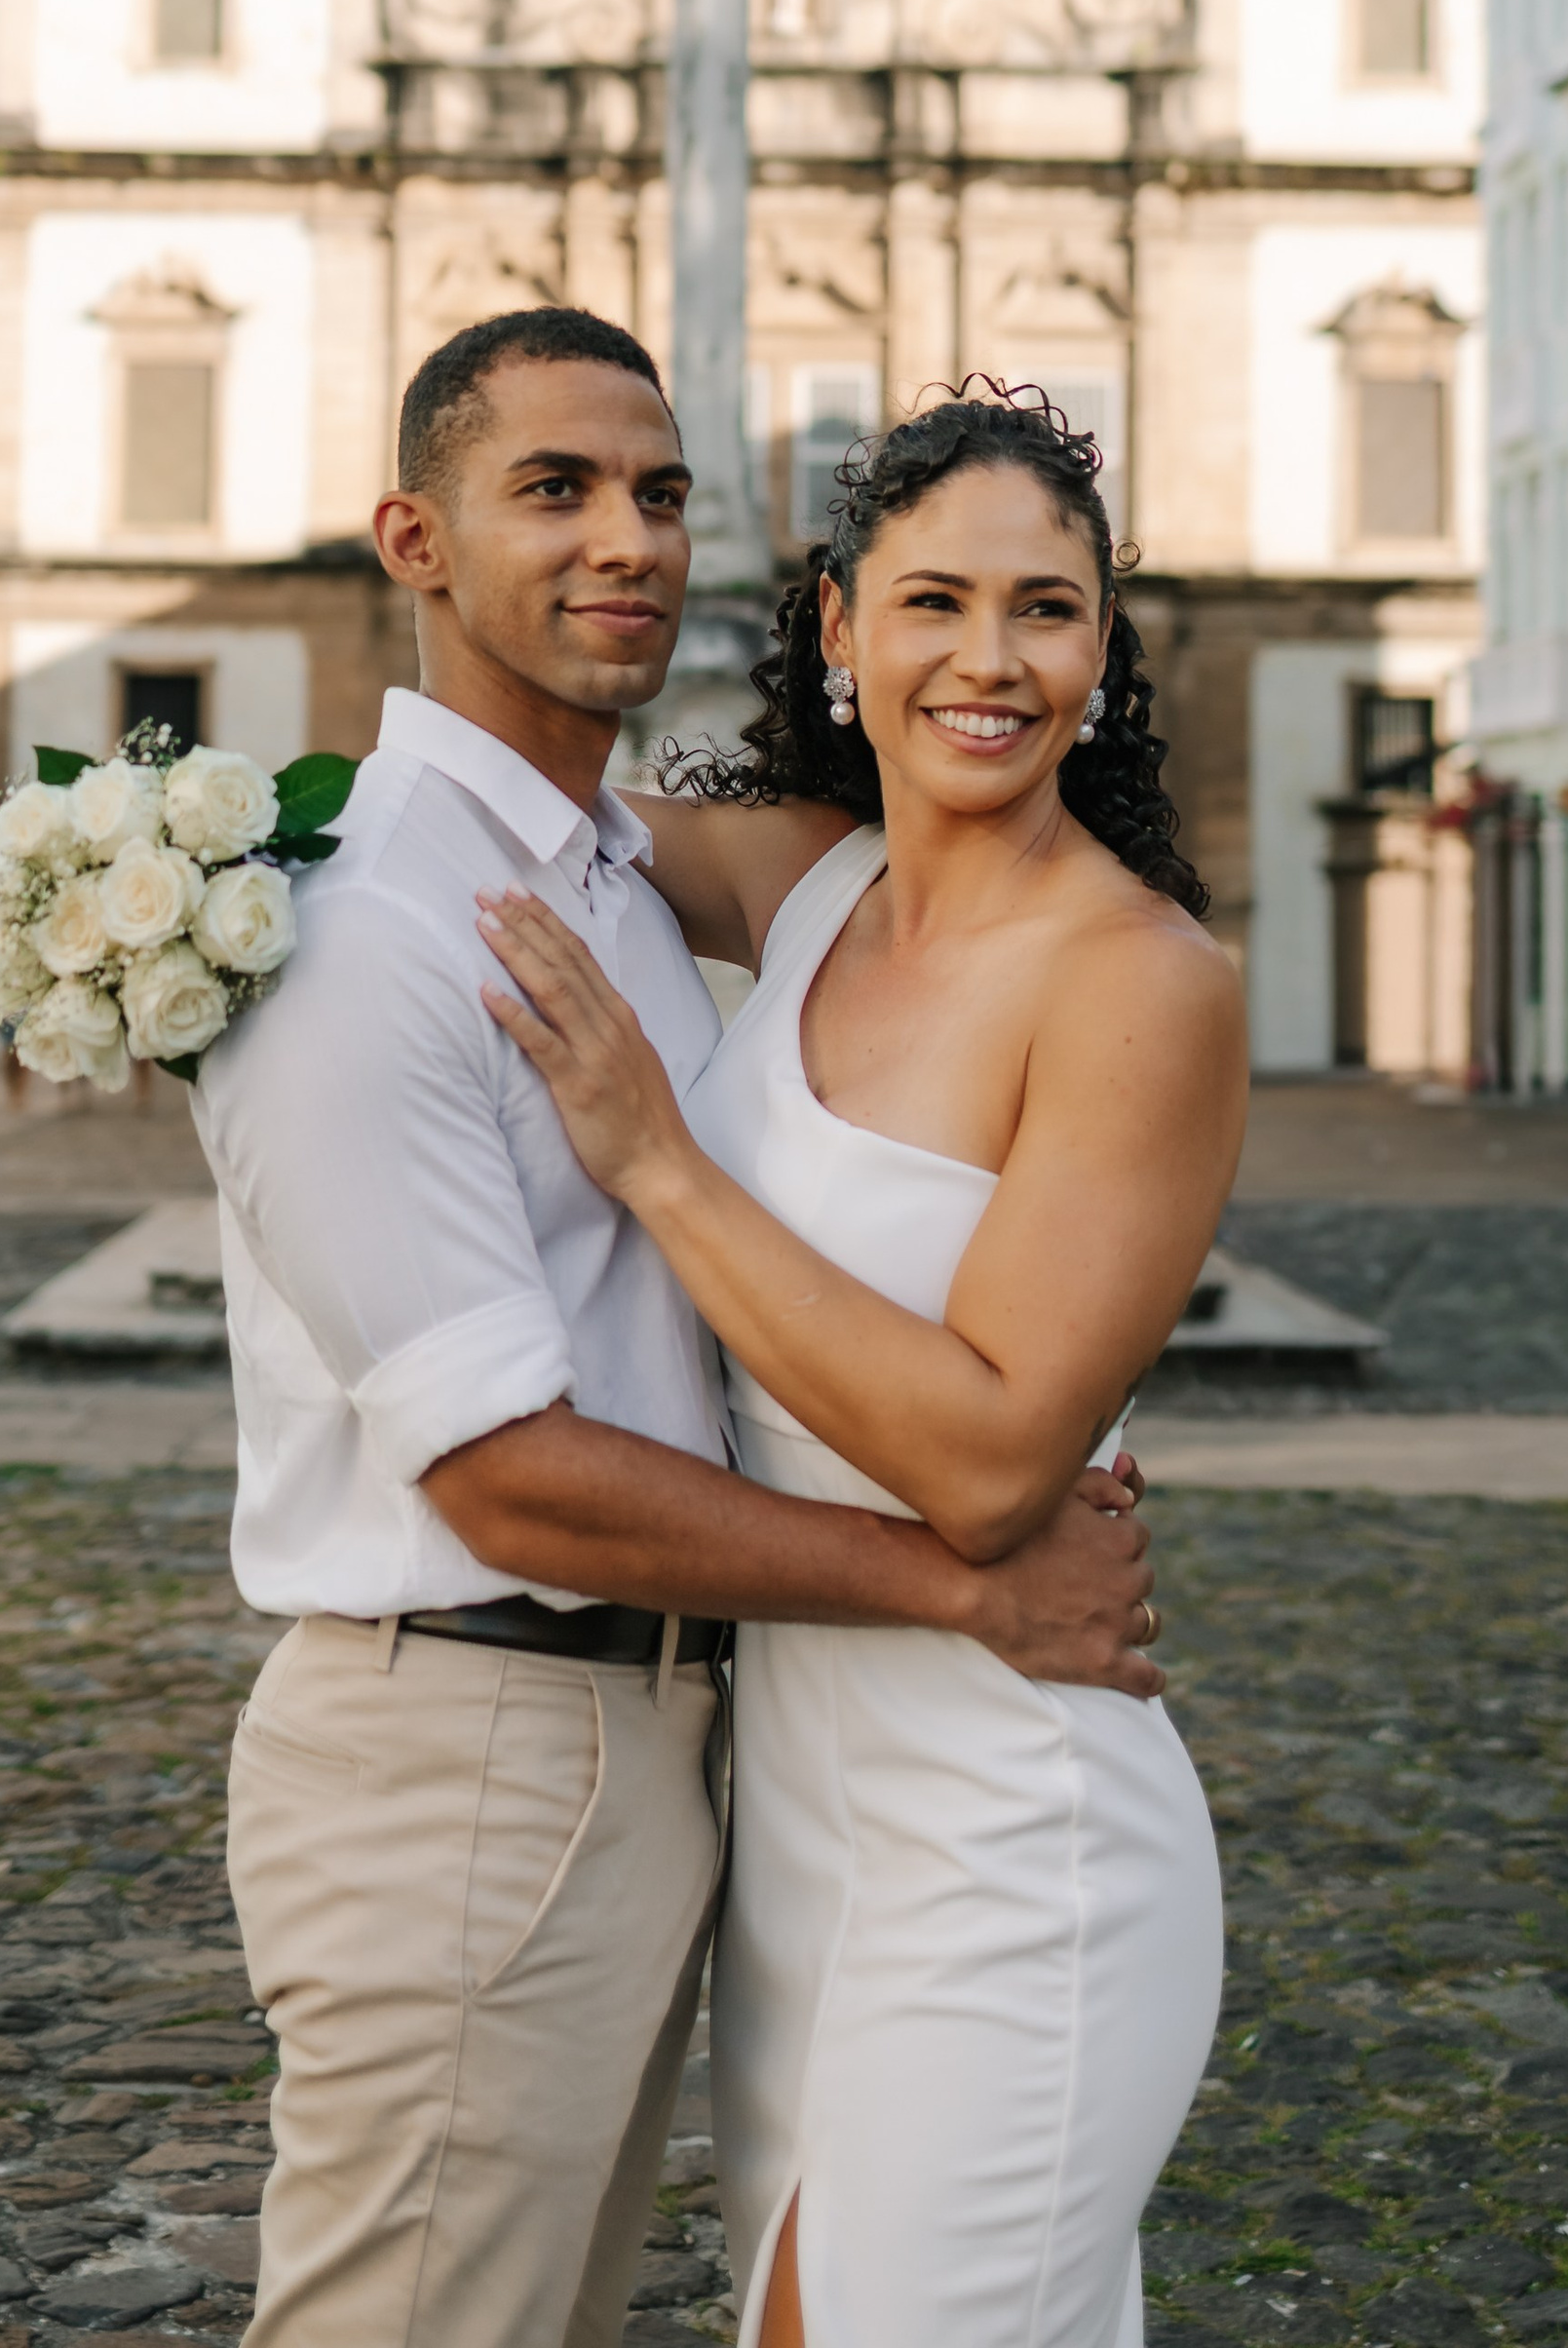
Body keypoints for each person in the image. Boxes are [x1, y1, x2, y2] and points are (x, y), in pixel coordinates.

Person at [193, 313, 1166, 2348]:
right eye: (549, 489)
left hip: (722, 1756)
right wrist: (965, 1585)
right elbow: (497, 1466)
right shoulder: (366, 916)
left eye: (654, 492)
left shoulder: (635, 870)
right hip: (481, 1726)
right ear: (415, 538)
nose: (620, 538)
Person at [476, 379, 1247, 2348]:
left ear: (1101, 643)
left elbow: (994, 1470)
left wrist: (653, 1155)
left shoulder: (1137, 982)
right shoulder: (800, 883)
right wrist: (186, 876)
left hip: (1014, 1818)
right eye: (933, 601)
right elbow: (489, 820)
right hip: (800, 1816)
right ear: (834, 622)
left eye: (1047, 610)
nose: (988, 661)